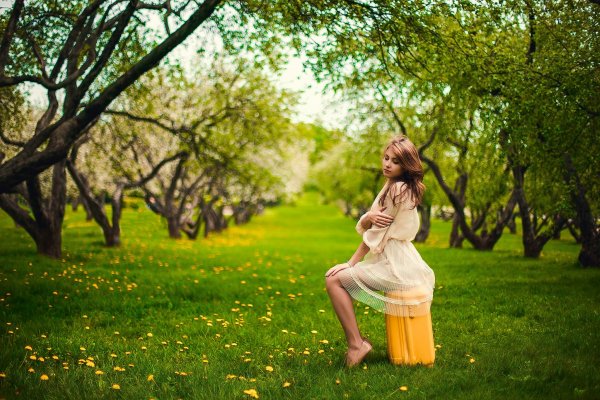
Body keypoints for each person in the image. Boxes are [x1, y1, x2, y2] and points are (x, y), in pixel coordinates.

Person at [325, 135, 435, 368]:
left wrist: (351, 262)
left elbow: (375, 233)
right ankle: (357, 343)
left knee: (334, 280)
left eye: (395, 161)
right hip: (396, 259)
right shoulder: (394, 186)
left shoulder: (398, 189)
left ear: (406, 165)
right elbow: (369, 224)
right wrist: (368, 217)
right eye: (386, 158)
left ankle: (357, 344)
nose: (387, 164)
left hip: (395, 264)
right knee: (335, 279)